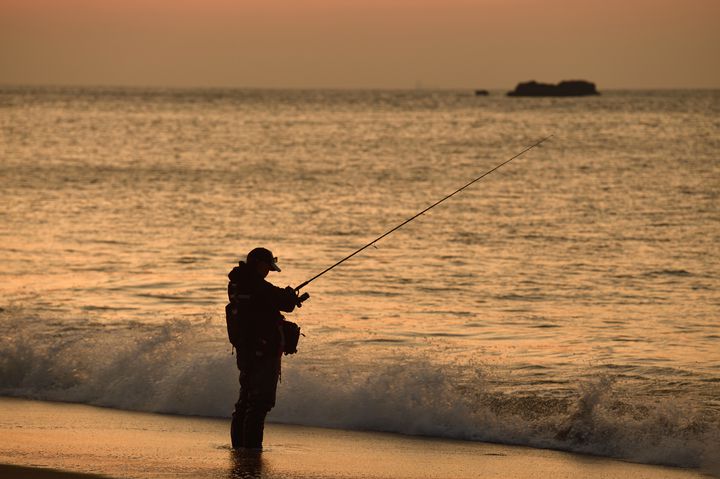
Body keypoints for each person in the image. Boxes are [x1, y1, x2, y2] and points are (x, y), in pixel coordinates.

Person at [225, 247, 306, 450]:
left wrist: (286, 296)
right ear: (259, 264)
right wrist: (290, 296)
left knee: (245, 402)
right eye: (267, 267)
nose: (268, 271)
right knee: (259, 404)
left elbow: (270, 298)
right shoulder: (256, 285)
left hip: (246, 350)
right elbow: (284, 302)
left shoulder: (237, 284)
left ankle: (239, 450)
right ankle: (251, 452)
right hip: (263, 351)